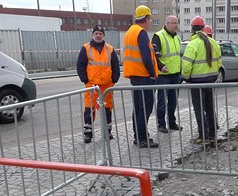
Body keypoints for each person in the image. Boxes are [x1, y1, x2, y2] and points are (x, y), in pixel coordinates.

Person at [181, 16, 221, 145]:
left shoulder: (193, 44)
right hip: (210, 80)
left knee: (199, 109)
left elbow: (186, 65)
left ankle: (203, 135)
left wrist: (186, 78)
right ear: (204, 28)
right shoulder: (214, 43)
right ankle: (212, 134)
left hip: (196, 82)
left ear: (192, 29)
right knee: (209, 108)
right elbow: (219, 63)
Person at [76, 25, 120, 143]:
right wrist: (85, 80)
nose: (98, 35)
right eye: (96, 33)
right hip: (92, 85)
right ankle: (88, 133)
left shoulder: (109, 49)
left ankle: (107, 131)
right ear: (92, 35)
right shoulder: (86, 48)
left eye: (100, 33)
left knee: (107, 108)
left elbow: (116, 65)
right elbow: (80, 65)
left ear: (103, 35)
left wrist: (114, 80)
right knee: (89, 108)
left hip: (107, 84)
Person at [123, 5, 159, 148]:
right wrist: (152, 74)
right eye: (149, 19)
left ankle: (138, 136)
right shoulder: (141, 33)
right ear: (146, 19)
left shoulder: (130, 32)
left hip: (135, 75)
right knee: (145, 108)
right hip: (144, 76)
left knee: (138, 108)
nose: (150, 22)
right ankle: (142, 138)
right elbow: (145, 56)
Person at [152, 15, 182, 133]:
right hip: (163, 75)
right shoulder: (158, 36)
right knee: (162, 101)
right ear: (167, 23)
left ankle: (172, 122)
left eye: (177, 23)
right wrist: (161, 66)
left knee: (173, 100)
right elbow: (153, 54)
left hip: (175, 74)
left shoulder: (177, 38)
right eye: (173, 23)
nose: (176, 25)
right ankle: (161, 124)